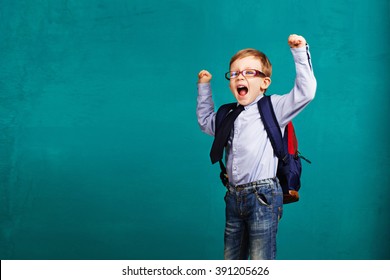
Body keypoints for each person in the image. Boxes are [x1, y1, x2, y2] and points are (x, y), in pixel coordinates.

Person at [196, 34, 317, 260]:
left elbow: (306, 92)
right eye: (235, 73)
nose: (240, 76)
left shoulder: (275, 108)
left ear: (264, 83)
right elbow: (205, 122)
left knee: (260, 260)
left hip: (263, 195)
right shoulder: (227, 114)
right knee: (232, 259)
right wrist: (204, 87)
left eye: (249, 72)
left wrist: (300, 52)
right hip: (233, 196)